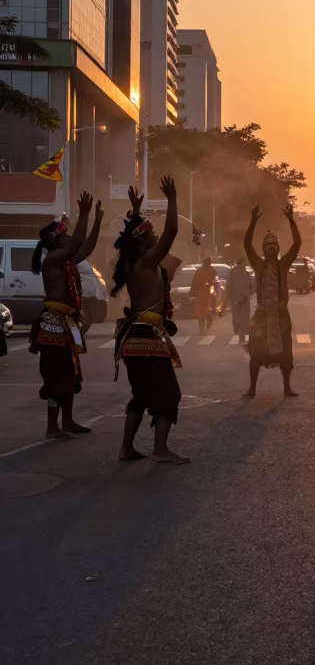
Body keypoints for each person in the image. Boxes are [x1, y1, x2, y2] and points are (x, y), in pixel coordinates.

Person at [113, 179, 189, 464]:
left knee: (141, 395)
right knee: (170, 395)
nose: (157, 237)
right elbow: (171, 232)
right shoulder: (146, 262)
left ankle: (126, 448)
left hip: (136, 337)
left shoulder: (136, 263)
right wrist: (172, 199)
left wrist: (135, 209)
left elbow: (153, 235)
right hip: (147, 336)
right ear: (144, 240)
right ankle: (160, 450)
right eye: (152, 234)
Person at [29, 192, 103, 439]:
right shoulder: (52, 260)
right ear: (56, 240)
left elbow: (86, 246)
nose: (69, 237)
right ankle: (53, 427)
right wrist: (83, 214)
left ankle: (68, 421)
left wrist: (97, 221)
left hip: (67, 324)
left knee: (70, 374)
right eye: (65, 234)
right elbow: (76, 244)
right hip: (53, 325)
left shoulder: (66, 262)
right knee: (56, 376)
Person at [244, 202, 301, 398]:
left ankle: (287, 387)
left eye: (274, 245)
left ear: (277, 249)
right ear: (263, 249)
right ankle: (252, 388)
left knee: (286, 354)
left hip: (281, 315)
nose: (271, 248)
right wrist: (252, 223)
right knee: (256, 354)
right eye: (267, 245)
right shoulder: (258, 265)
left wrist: (292, 220)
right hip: (261, 316)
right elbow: (246, 245)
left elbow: (297, 245)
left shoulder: (283, 264)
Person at [227, 256, 254, 340]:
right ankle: (240, 330)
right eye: (244, 263)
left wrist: (248, 293)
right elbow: (229, 286)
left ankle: (241, 330)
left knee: (240, 315)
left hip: (242, 298)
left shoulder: (245, 273)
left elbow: (252, 286)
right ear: (241, 263)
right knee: (238, 315)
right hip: (237, 298)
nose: (245, 264)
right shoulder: (235, 274)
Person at [191, 256, 218, 333]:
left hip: (208, 295)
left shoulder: (212, 271)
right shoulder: (199, 272)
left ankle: (208, 325)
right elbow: (194, 283)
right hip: (200, 295)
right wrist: (193, 292)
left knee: (208, 313)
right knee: (200, 314)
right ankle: (202, 330)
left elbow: (215, 281)